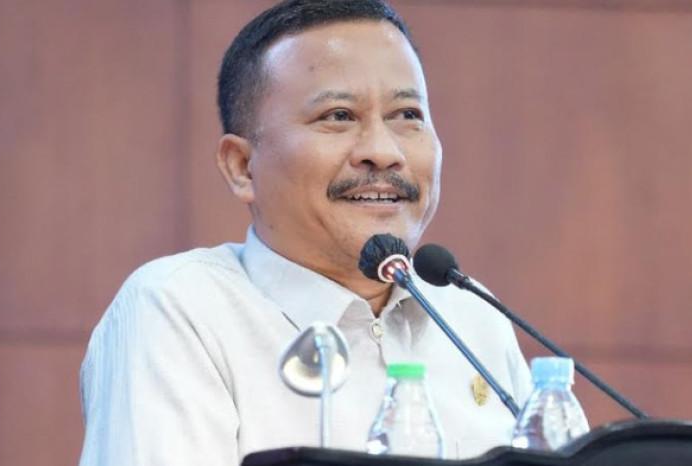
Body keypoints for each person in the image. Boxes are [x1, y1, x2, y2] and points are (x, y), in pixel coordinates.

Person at [78, 0, 532, 464]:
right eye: (338, 115)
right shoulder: (182, 310)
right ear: (242, 166)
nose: (383, 151)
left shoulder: (472, 318)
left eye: (407, 115)